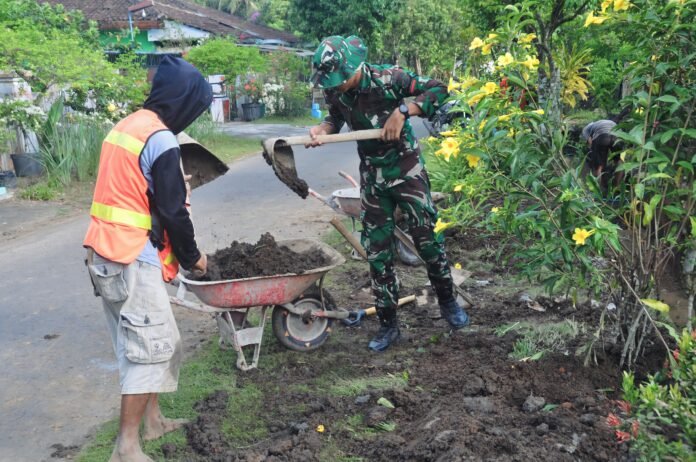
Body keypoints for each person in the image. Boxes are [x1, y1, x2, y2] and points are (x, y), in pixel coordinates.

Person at [306, 35, 470, 352]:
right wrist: (322, 131)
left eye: (340, 78)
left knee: (427, 239)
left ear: (353, 67)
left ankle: (448, 303)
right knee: (378, 253)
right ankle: (388, 324)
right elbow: (334, 117)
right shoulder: (334, 88)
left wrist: (404, 110)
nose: (336, 85)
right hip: (373, 176)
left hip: (407, 169)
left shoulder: (389, 78)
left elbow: (439, 89)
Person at [83, 56, 211, 462]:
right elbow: (173, 213)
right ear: (184, 99)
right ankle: (126, 448)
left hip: (105, 251)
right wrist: (194, 258)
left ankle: (153, 422)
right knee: (151, 347)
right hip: (129, 256)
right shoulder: (160, 138)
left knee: (146, 342)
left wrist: (168, 181)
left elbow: (133, 188)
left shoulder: (127, 126)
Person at [581, 119, 623, 192]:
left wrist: (595, 156)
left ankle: (599, 190)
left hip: (602, 137)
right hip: (616, 136)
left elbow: (590, 143)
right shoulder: (602, 123)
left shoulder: (586, 129)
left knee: (598, 165)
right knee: (619, 161)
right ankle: (616, 187)